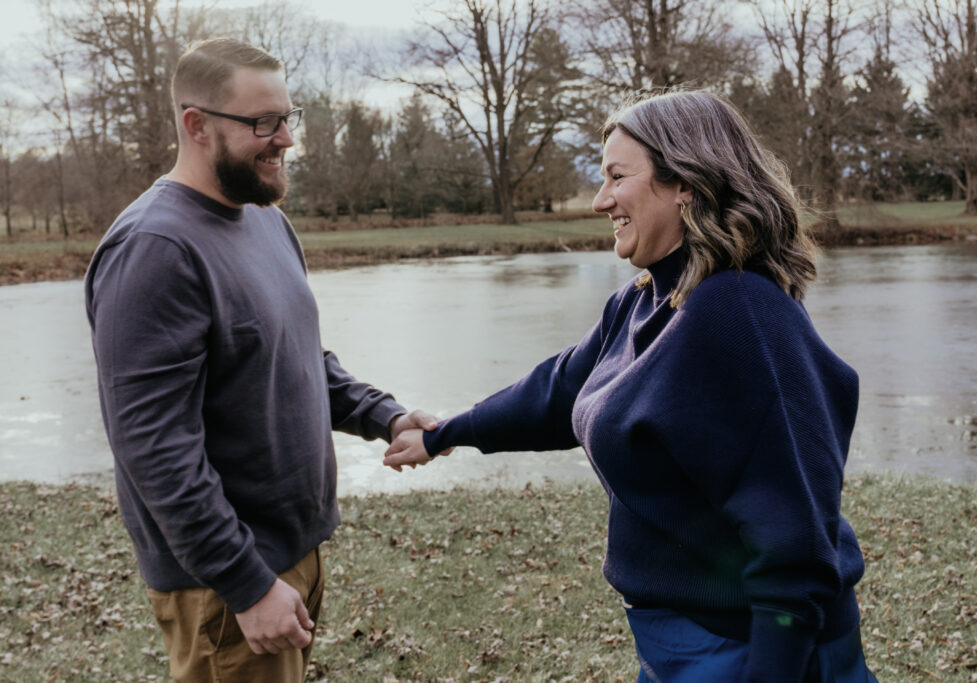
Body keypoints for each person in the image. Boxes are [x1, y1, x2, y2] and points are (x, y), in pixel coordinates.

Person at [383, 90, 878, 682]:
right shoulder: (646, 301)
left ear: (685, 183)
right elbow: (560, 391)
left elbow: (794, 537)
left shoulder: (737, 312)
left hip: (757, 653)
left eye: (618, 176)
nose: (600, 200)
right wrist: (446, 434)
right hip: (679, 645)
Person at [84, 38, 439, 683]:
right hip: (226, 584)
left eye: (287, 117)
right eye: (261, 123)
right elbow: (154, 448)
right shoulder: (155, 249)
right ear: (196, 125)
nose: (286, 139)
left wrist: (384, 416)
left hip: (291, 555)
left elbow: (295, 354)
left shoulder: (263, 219)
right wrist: (247, 585)